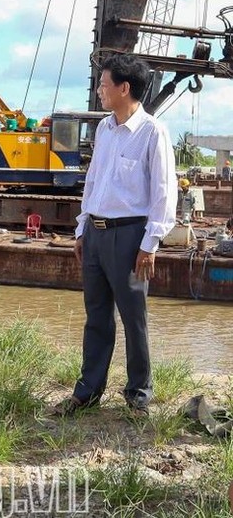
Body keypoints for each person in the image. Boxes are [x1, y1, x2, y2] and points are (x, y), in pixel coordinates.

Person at [56, 54, 177, 418]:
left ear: (125, 89)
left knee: (133, 317)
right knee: (96, 315)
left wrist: (150, 242)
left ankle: (138, 394)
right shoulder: (104, 129)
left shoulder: (152, 132)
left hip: (129, 237)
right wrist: (81, 228)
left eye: (104, 85)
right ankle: (88, 390)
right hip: (95, 234)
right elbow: (93, 183)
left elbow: (164, 192)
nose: (99, 91)